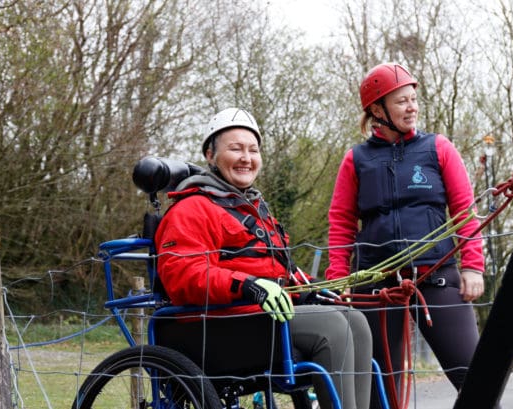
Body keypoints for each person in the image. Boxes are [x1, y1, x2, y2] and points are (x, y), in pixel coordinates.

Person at [155, 107, 372, 409]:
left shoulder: (252, 208)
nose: (246, 157)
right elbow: (183, 275)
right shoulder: (192, 209)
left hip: (259, 321)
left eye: (253, 150)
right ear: (210, 154)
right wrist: (249, 285)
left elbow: (284, 271)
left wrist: (314, 290)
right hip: (216, 328)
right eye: (236, 149)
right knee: (333, 327)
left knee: (355, 320)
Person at [326, 63, 486, 409]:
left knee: (476, 378)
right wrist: (339, 280)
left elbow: (464, 211)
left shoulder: (438, 148)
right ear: (376, 110)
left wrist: (473, 266)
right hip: (377, 285)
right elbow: (340, 222)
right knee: (381, 392)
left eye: (413, 99)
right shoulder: (356, 159)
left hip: (436, 277)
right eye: (401, 101)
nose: (412, 107)